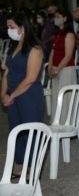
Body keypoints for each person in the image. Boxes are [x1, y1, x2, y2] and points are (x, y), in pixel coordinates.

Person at [1, 13, 44, 177]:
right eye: (8, 27)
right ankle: (23, 165)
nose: (9, 30)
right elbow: (7, 73)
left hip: (28, 95)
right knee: (17, 131)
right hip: (13, 94)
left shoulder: (35, 48)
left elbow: (31, 78)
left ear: (22, 28)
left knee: (31, 131)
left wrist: (11, 96)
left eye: (12, 27)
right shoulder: (13, 47)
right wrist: (3, 94)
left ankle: (33, 168)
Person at [48, 9, 77, 121]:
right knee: (56, 96)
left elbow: (68, 55)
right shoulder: (57, 34)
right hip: (56, 68)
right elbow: (52, 52)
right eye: (55, 16)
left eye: (58, 16)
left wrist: (57, 69)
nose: (56, 18)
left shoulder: (69, 34)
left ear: (65, 19)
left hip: (66, 69)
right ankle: (57, 121)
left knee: (65, 98)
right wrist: (50, 67)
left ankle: (66, 122)